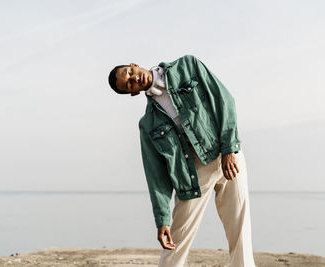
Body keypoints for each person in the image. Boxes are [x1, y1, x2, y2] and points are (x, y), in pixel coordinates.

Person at [108, 55, 256, 267]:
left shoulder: (187, 66)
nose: (134, 79)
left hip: (227, 155)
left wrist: (229, 149)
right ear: (132, 92)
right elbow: (156, 175)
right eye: (129, 84)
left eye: (130, 73)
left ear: (133, 65)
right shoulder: (148, 124)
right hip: (193, 174)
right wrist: (162, 220)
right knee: (176, 239)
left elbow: (223, 99)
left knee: (240, 228)